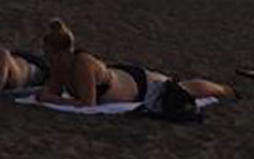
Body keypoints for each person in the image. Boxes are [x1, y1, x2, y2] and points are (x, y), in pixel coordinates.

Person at [34, 19, 234, 107]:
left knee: (182, 89)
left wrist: (52, 99)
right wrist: (50, 95)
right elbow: (53, 92)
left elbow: (88, 104)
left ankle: (224, 90)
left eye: (49, 53)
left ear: (61, 53)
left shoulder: (82, 64)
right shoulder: (59, 67)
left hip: (140, 86)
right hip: (121, 77)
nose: (46, 58)